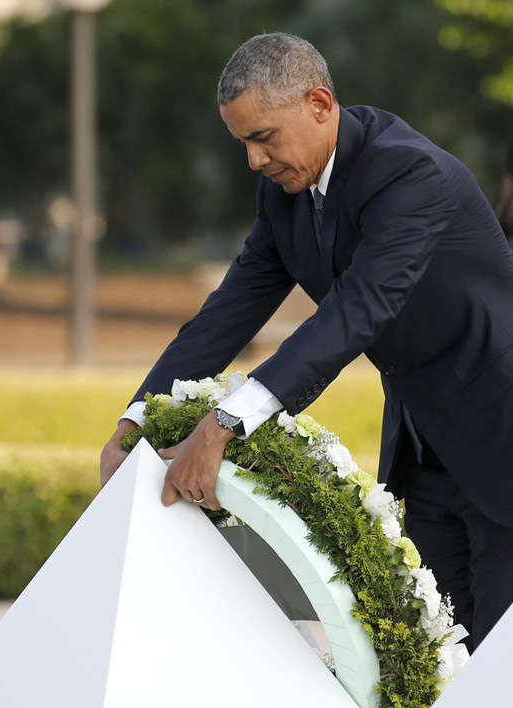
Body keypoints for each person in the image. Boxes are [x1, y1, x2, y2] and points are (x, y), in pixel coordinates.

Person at [100, 32, 513, 653]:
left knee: (498, 663)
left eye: (263, 137)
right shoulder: (284, 193)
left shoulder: (410, 173)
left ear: (319, 104)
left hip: (501, 432)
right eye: (242, 143)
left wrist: (223, 424)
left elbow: (357, 311)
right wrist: (137, 417)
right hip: (424, 446)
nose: (254, 161)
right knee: (445, 655)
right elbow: (228, 313)